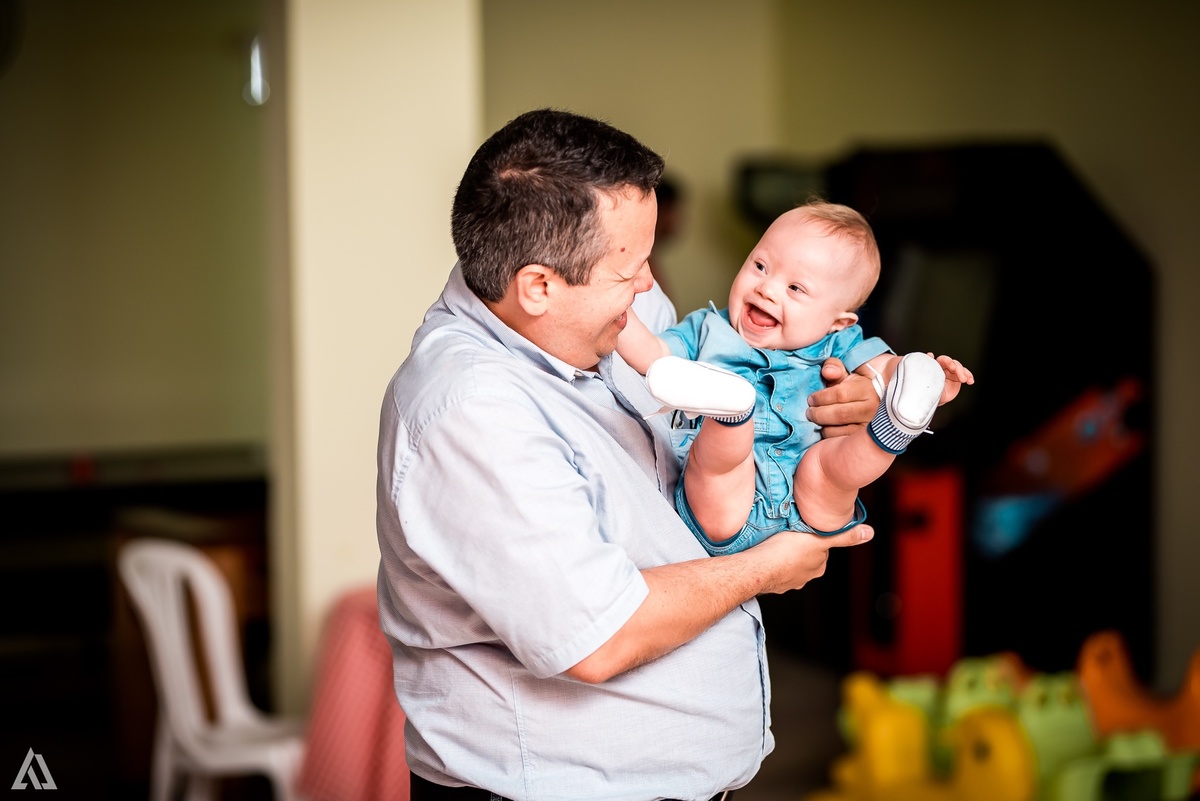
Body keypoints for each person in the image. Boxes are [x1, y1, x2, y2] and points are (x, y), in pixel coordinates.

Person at [375, 108, 881, 801]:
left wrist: (839, 390)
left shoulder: (607, 313)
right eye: (630, 268)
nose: (650, 284)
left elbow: (747, 389)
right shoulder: (469, 408)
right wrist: (765, 566)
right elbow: (597, 635)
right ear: (539, 286)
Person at [617, 201, 974, 555]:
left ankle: (891, 433)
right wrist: (616, 305)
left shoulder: (839, 342)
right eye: (760, 266)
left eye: (795, 289)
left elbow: (887, 370)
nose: (766, 289)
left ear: (838, 321)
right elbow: (655, 355)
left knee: (831, 466)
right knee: (721, 463)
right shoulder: (708, 329)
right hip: (725, 511)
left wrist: (929, 383)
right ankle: (732, 414)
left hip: (810, 502)